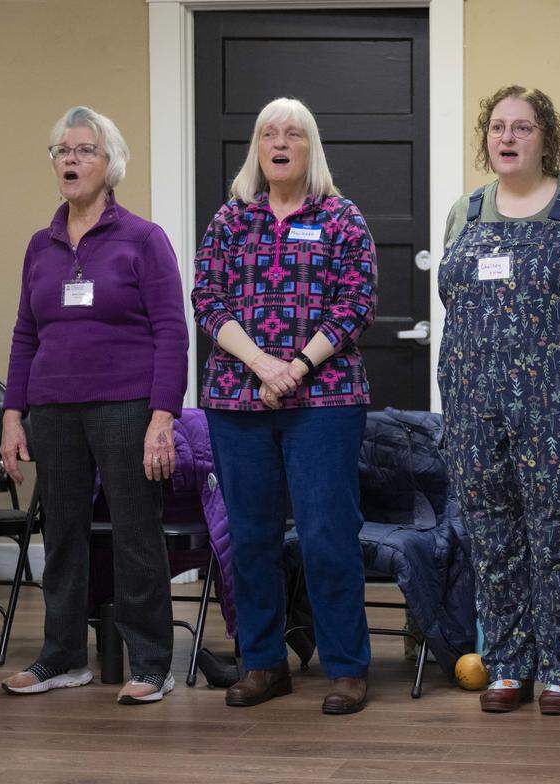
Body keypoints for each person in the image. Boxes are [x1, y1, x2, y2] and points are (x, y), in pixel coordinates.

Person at [438, 85, 560, 716]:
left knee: (556, 534)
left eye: (522, 127)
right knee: (492, 535)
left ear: (545, 138)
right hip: (474, 405)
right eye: (498, 127)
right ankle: (507, 666)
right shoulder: (465, 213)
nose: (508, 137)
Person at [191, 97, 378, 715]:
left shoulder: (342, 217)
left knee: (327, 536)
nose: (279, 142)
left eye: (292, 134)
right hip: (236, 399)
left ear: (310, 147)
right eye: (268, 133)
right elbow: (207, 297)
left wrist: (295, 367)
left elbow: (357, 302)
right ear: (257, 147)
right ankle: (263, 662)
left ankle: (346, 667)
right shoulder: (230, 219)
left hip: (325, 400)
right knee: (249, 538)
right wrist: (261, 364)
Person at [0, 106, 189, 704]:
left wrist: (163, 416)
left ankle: (151, 663)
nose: (71, 160)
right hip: (52, 410)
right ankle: (61, 657)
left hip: (126, 406)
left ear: (112, 164)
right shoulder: (41, 245)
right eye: (63, 150)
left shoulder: (143, 239)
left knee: (135, 535)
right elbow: (25, 334)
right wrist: (12, 415)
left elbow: (172, 332)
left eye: (85, 150)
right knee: (61, 535)